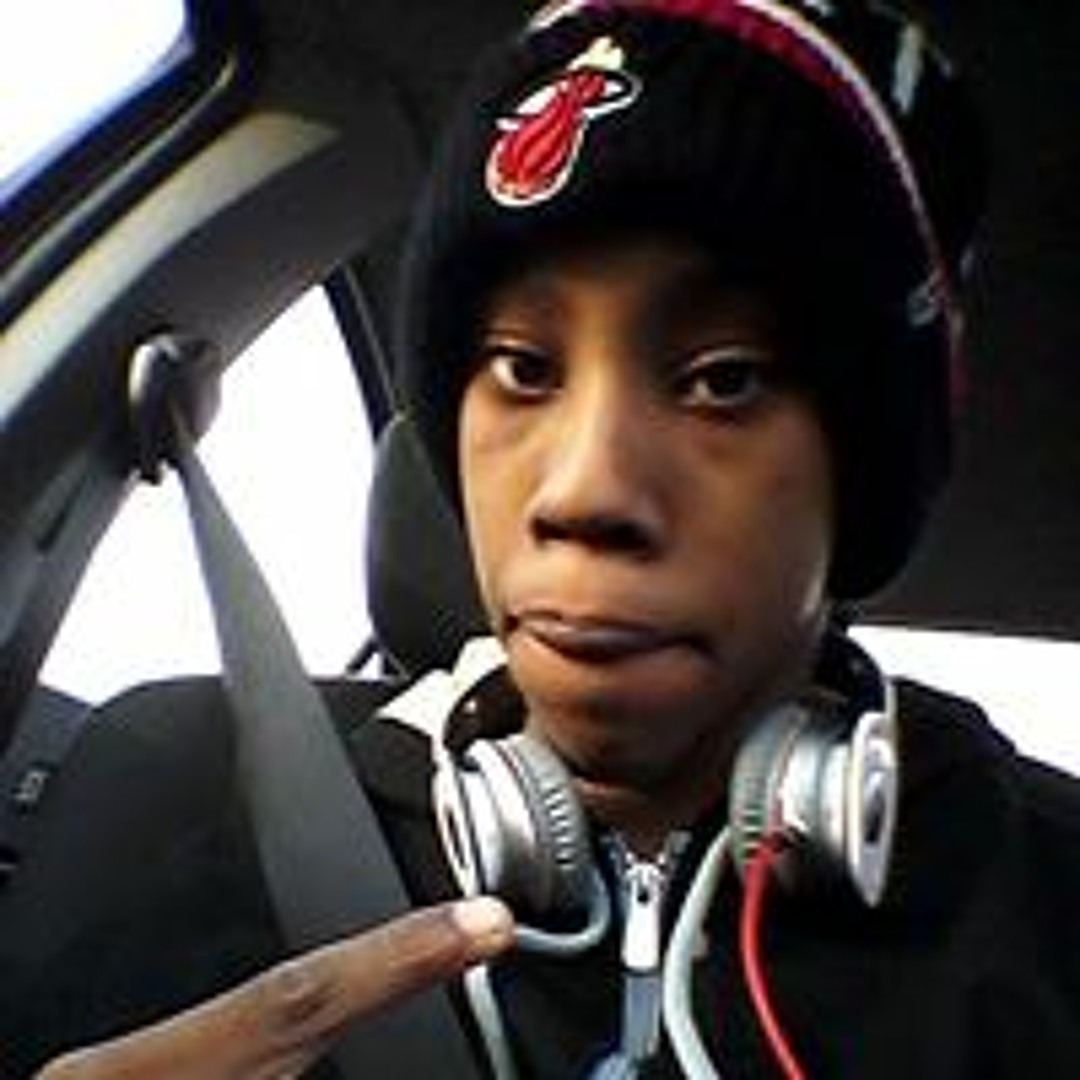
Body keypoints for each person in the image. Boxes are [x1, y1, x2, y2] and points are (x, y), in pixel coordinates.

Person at [13, 0, 1080, 1076]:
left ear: (866, 466)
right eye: (522, 368)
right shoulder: (182, 835)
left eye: (723, 380)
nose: (584, 490)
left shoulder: (1046, 902)